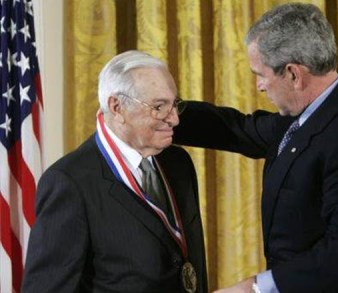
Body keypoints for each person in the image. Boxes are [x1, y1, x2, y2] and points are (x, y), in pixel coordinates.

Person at [173, 3, 338, 293]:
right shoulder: (309, 112)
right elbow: (239, 130)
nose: (259, 86)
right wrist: (166, 112)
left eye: (260, 74)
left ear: (294, 74)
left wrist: (255, 288)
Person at [22, 50, 207, 293]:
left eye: (174, 104)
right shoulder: (70, 183)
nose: (174, 119)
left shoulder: (178, 162)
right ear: (117, 107)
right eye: (159, 107)